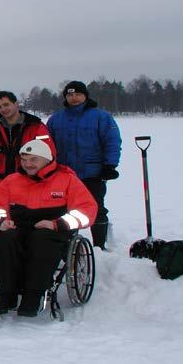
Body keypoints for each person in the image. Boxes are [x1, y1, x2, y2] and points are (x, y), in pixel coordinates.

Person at [0, 139, 97, 317]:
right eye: (24, 160)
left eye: (33, 160)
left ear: (47, 159)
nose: (28, 164)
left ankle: (33, 295)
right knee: (5, 238)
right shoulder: (12, 181)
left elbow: (86, 211)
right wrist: (2, 221)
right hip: (19, 227)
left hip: (52, 232)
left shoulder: (67, 180)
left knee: (42, 239)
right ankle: (7, 294)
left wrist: (56, 224)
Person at [46, 81, 121, 249]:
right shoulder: (56, 119)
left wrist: (110, 165)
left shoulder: (100, 117)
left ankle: (99, 246)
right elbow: (47, 146)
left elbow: (112, 141)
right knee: (63, 210)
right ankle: (67, 244)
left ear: (85, 95)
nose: (74, 98)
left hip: (92, 173)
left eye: (77, 94)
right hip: (64, 174)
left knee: (96, 208)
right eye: (70, 95)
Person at [0, 91, 54, 196]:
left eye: (6, 104)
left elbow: (48, 155)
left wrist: (39, 179)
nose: (3, 109)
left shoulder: (36, 127)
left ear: (16, 104)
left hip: (30, 187)